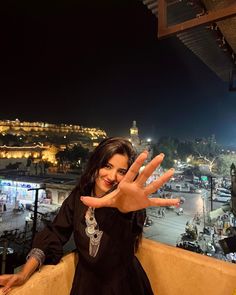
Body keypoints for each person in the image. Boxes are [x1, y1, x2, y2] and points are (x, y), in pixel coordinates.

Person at [0, 137, 180, 295]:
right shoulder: (80, 195)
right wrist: (24, 273)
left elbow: (130, 231)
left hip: (123, 285)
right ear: (96, 164)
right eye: (107, 166)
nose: (111, 176)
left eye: (121, 171)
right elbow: (55, 232)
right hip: (87, 284)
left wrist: (125, 210)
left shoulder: (129, 204)